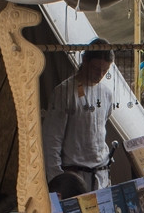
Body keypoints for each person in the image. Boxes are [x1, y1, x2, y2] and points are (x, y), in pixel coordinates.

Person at [43, 39, 117, 191]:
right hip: (74, 177)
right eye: (97, 69)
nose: (100, 74)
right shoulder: (64, 92)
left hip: (100, 174)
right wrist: (57, 179)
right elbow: (51, 140)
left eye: (105, 70)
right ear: (85, 61)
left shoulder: (107, 94)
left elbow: (99, 130)